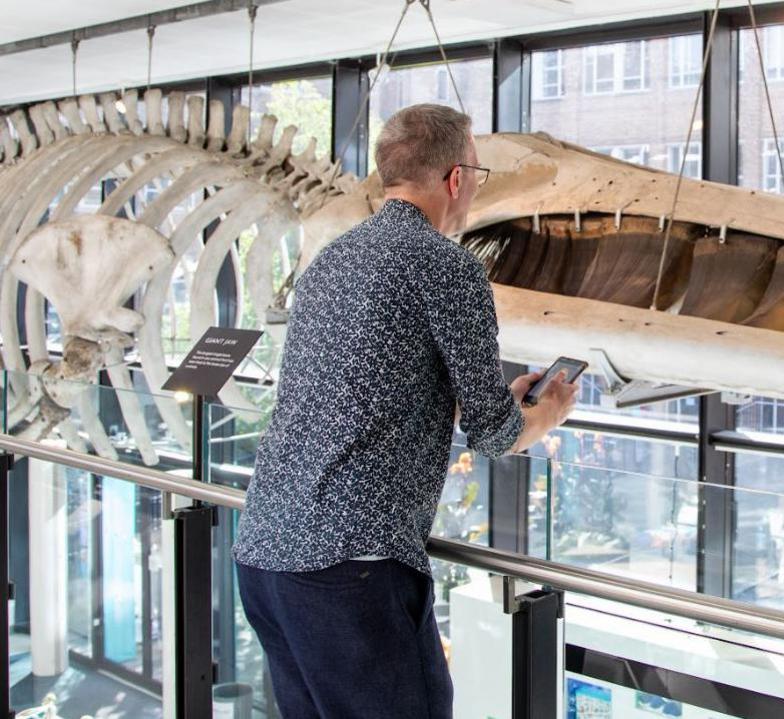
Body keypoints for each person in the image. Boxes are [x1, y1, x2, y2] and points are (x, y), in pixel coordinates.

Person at [232, 103, 578, 718]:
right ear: (455, 177)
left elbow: (357, 396)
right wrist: (548, 411)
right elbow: (496, 435)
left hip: (266, 553)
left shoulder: (330, 263)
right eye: (477, 171)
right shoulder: (446, 267)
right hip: (349, 568)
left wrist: (480, 398)